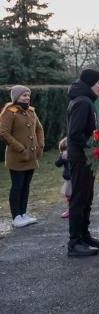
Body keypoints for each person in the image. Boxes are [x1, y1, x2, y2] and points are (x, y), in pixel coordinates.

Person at [66, 69, 99, 257]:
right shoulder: (82, 102)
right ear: (90, 83)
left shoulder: (86, 100)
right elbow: (75, 134)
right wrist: (92, 148)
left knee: (87, 198)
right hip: (81, 157)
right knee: (79, 199)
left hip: (86, 157)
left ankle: (84, 236)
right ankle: (75, 243)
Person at [1, 85, 45, 229]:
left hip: (31, 157)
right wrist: (20, 148)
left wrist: (40, 145)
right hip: (17, 157)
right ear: (16, 97)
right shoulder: (10, 112)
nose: (27, 97)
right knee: (17, 186)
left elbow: (39, 128)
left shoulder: (31, 111)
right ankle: (16, 217)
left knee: (26, 186)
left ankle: (23, 213)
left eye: (28, 95)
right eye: (24, 95)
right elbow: (4, 133)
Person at [55, 138, 71, 219]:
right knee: (68, 194)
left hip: (72, 177)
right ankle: (71, 209)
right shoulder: (63, 155)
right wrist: (61, 156)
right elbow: (57, 164)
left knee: (70, 194)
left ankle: (72, 210)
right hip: (68, 178)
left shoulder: (73, 154)